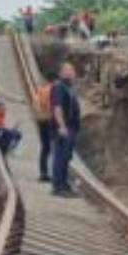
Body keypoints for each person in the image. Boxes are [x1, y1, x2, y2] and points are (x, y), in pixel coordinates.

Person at [49, 60, 81, 196]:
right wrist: (62, 126)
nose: (72, 72)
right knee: (61, 156)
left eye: (72, 70)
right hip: (64, 128)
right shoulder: (59, 87)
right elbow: (57, 107)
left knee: (66, 157)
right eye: (68, 70)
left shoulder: (69, 87)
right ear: (61, 73)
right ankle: (59, 186)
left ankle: (64, 184)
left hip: (71, 127)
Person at [31, 73, 57, 183]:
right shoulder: (54, 91)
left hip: (41, 120)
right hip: (51, 120)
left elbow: (35, 104)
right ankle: (54, 173)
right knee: (55, 147)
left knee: (45, 148)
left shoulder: (41, 91)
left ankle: (43, 173)